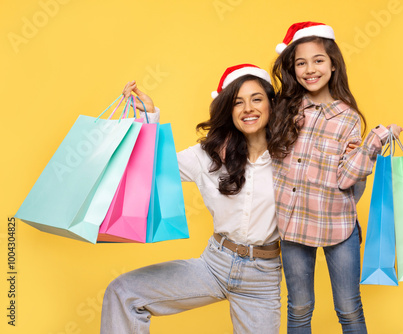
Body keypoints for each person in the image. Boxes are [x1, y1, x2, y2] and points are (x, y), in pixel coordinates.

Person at [100, 64, 283, 334]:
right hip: (215, 264)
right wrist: (150, 117)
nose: (248, 109)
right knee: (123, 292)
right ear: (227, 110)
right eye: (237, 102)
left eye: (256, 99)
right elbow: (154, 167)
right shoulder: (207, 155)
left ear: (270, 104)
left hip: (263, 276)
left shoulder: (290, 157)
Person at [267, 22, 403, 333]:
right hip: (292, 225)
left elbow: (345, 179)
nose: (309, 69)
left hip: (336, 226)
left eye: (318, 60)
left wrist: (375, 142)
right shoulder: (284, 109)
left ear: (332, 64)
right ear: (292, 68)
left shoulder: (348, 117)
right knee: (299, 308)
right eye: (301, 63)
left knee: (349, 308)